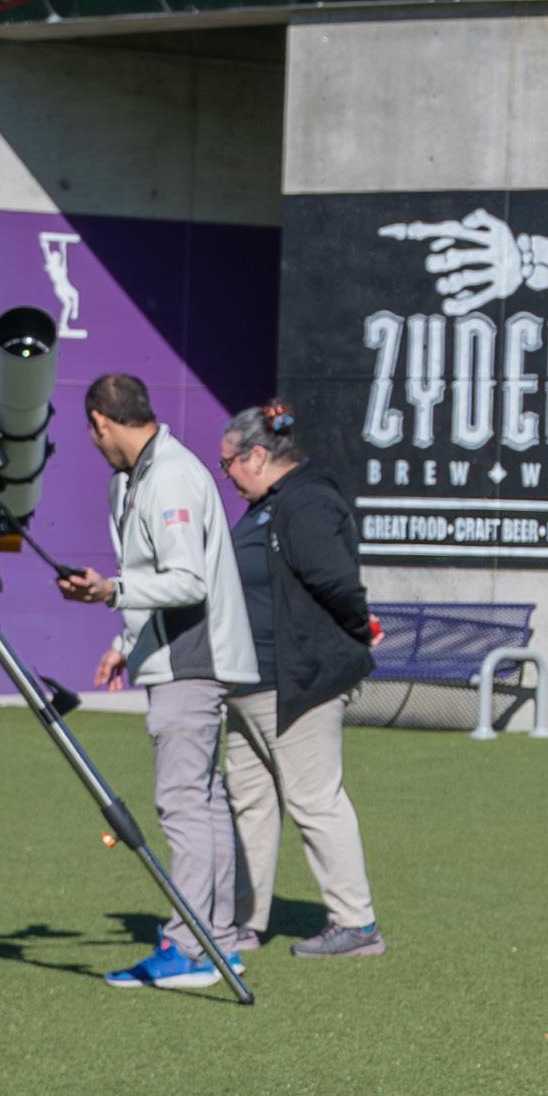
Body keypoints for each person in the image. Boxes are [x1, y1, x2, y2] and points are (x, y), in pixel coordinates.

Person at [56, 370, 253, 994]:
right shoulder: (139, 476)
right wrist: (124, 642)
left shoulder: (168, 474)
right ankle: (217, 942)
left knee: (183, 804)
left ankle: (190, 948)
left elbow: (187, 581)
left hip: (192, 662)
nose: (94, 443)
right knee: (203, 802)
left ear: (100, 422)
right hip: (185, 658)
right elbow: (160, 580)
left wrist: (111, 591)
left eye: (92, 433)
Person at [213, 402, 386, 956]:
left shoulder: (306, 499)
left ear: (257, 456)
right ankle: (242, 922)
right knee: (250, 802)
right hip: (251, 683)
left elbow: (335, 581)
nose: (226, 475)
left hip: (296, 682)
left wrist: (359, 630)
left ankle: (356, 924)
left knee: (313, 800)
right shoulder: (267, 505)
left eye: (228, 464)